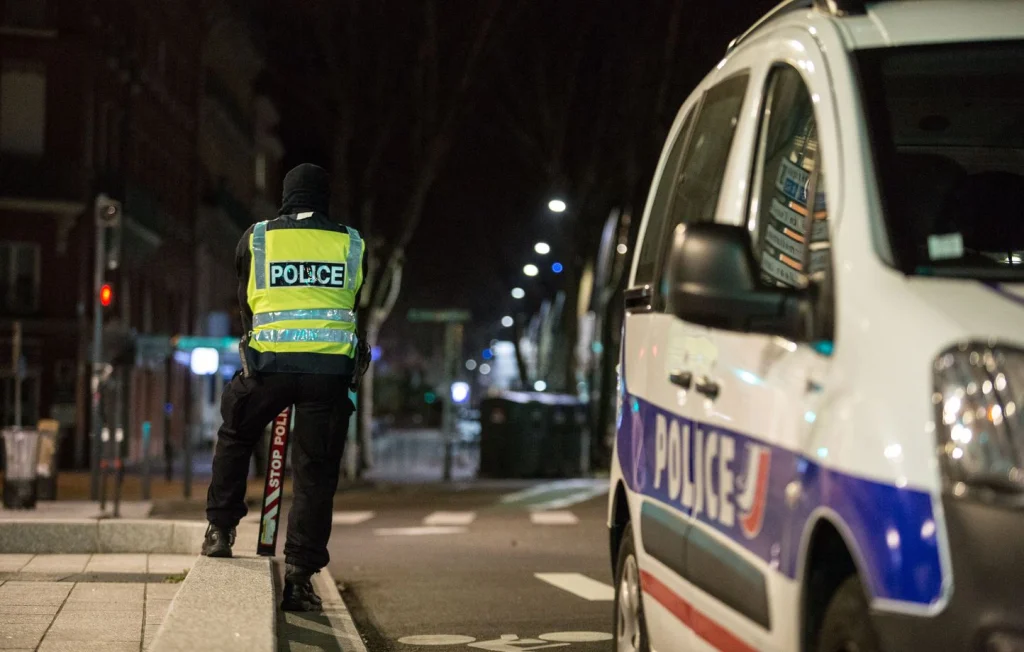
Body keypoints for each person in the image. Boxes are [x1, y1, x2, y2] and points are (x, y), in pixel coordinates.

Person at [202, 163, 371, 612]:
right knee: (316, 472)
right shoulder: (351, 242)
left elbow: (245, 302)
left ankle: (220, 530)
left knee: (236, 432)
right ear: (324, 197)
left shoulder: (257, 237)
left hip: (269, 367)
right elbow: (354, 300)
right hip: (328, 374)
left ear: (286, 196)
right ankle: (299, 578)